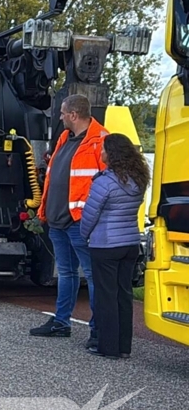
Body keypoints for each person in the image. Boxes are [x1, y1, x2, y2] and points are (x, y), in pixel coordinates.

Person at [30, 94, 107, 341]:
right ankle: (61, 322)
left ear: (74, 115)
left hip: (80, 222)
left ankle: (98, 329)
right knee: (66, 273)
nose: (60, 117)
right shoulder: (65, 138)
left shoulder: (101, 141)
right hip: (59, 220)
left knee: (92, 275)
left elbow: (109, 184)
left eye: (63, 113)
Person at [80, 133, 148, 359]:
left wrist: (84, 235)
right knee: (124, 294)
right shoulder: (138, 179)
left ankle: (107, 347)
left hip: (106, 244)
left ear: (112, 154)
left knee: (106, 295)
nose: (101, 153)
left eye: (104, 150)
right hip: (129, 242)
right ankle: (123, 347)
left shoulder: (104, 182)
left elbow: (90, 214)